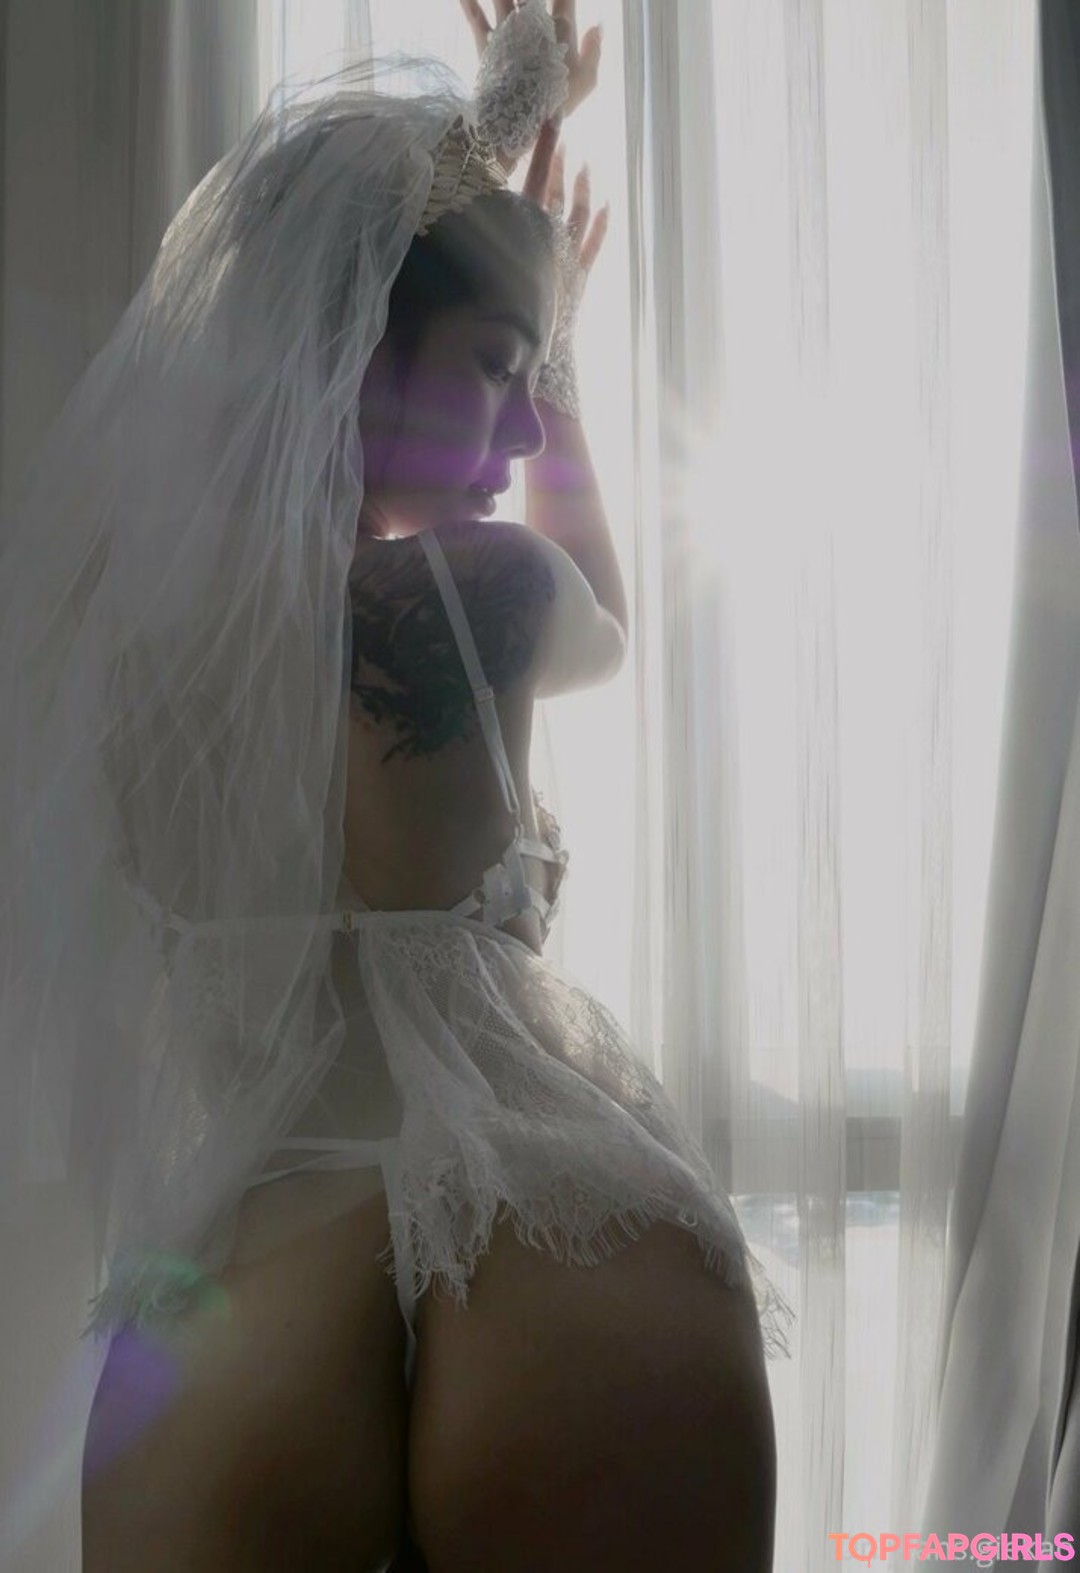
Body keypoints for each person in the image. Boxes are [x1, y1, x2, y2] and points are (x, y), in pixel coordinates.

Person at [0, 3, 791, 1569]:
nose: (521, 416)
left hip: (248, 1254)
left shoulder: (145, 652)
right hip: (521, 1172)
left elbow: (331, 248)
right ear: (361, 354)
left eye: (531, 375)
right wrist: (562, 335)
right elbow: (606, 616)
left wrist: (488, 194)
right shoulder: (477, 586)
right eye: (500, 369)